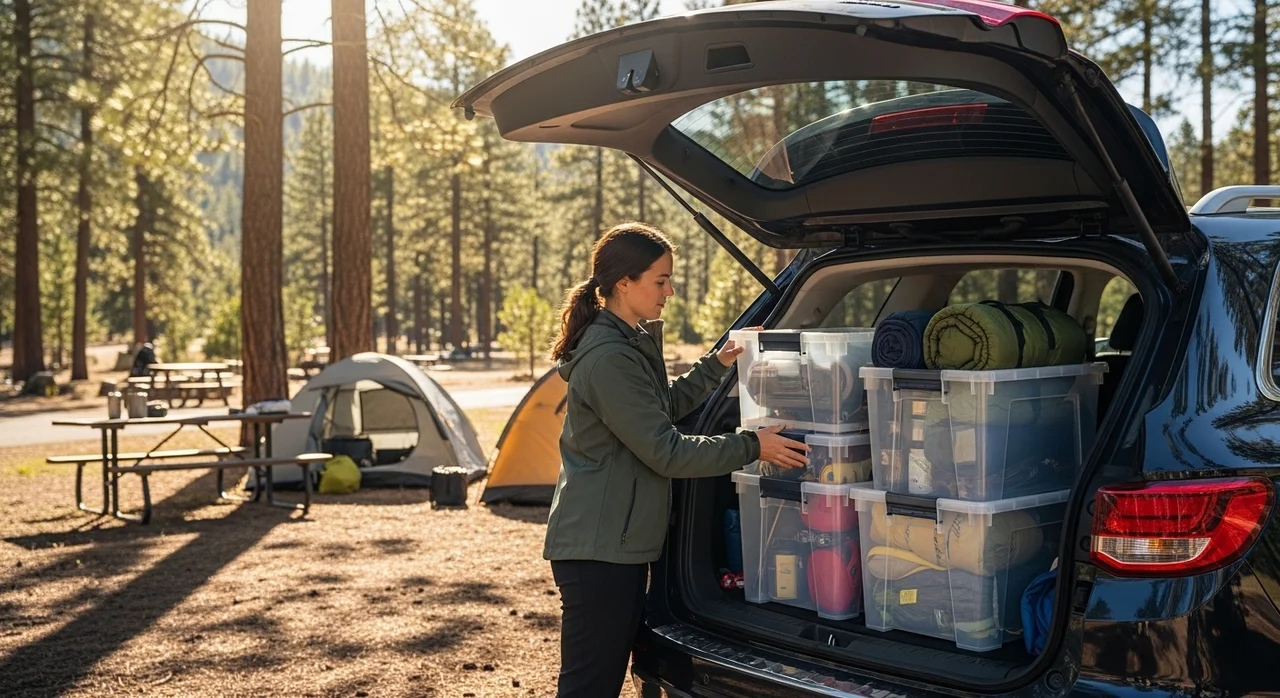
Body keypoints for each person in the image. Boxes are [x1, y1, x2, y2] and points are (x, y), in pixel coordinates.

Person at [544, 222, 809, 697]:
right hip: (598, 550)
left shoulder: (626, 342)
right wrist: (754, 446)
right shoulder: (609, 356)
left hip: (612, 545)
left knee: (597, 681)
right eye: (661, 280)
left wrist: (720, 360)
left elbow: (659, 406)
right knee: (589, 685)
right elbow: (664, 450)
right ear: (624, 282)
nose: (670, 290)